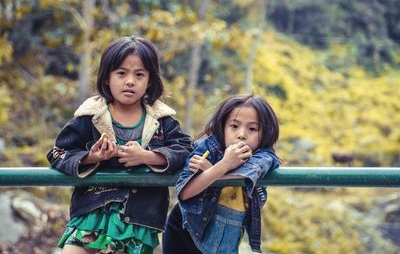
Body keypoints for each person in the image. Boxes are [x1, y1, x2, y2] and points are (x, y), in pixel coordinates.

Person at [47, 36, 192, 254]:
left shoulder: (162, 120)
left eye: (139, 74)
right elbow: (58, 153)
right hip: (91, 212)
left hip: (139, 218)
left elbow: (185, 150)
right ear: (107, 78)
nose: (130, 81)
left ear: (150, 80)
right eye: (121, 73)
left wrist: (147, 156)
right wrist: (92, 157)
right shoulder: (90, 116)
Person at [163, 94, 280, 254]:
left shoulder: (264, 156)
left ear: (264, 133)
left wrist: (211, 170)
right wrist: (222, 165)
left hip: (222, 244)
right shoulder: (208, 147)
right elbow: (185, 193)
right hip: (184, 230)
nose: (241, 134)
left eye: (252, 128)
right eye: (234, 126)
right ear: (223, 127)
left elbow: (245, 175)